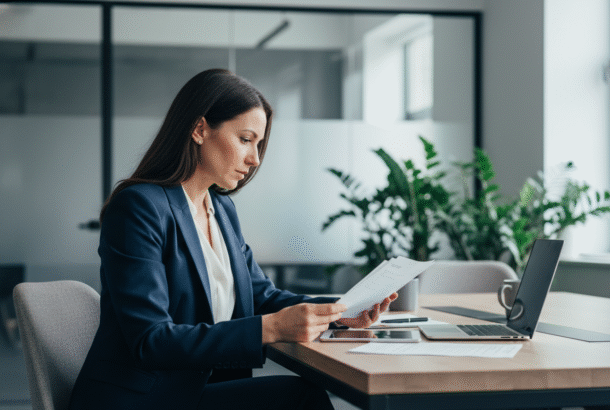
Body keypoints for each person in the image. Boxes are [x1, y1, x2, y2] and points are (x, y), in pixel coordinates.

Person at [69, 68, 397, 410]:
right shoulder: (139, 207)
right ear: (199, 129)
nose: (255, 159)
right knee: (299, 399)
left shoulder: (221, 209)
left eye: (258, 144)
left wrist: (338, 311)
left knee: (300, 395)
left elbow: (261, 296)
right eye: (245, 139)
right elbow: (152, 341)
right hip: (142, 399)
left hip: (192, 391)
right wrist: (267, 329)